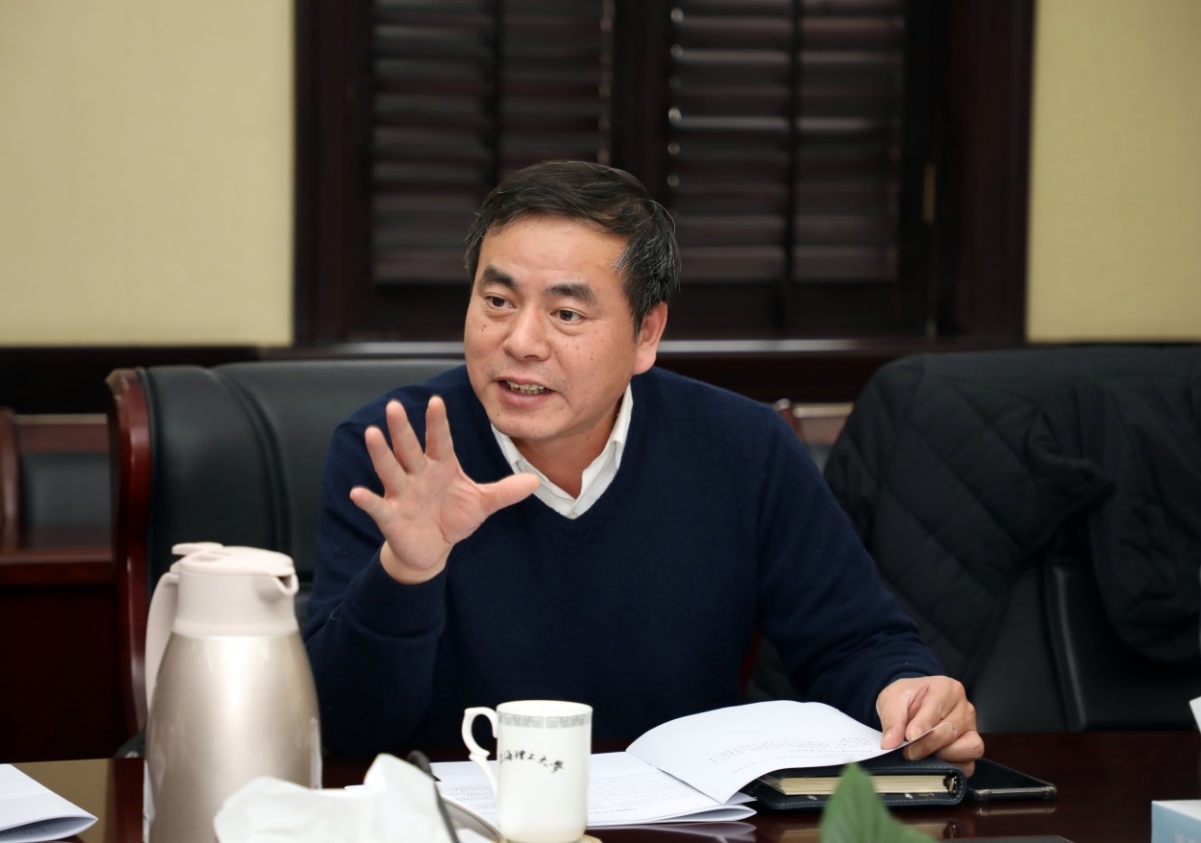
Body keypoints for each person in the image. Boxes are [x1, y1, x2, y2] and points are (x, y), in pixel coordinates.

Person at [305, 160, 983, 773]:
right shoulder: (395, 452)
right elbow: (343, 730)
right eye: (498, 302)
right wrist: (407, 573)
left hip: (684, 821)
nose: (521, 341)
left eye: (566, 312)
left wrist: (905, 690)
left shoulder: (743, 448)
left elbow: (853, 641)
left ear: (646, 333)